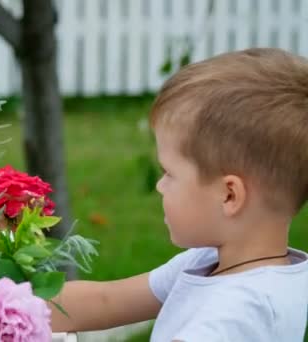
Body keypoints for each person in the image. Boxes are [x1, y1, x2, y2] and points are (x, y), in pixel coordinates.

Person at [51, 48, 308, 341]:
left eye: (169, 173)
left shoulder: (235, 313)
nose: (160, 186)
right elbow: (106, 301)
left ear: (229, 196)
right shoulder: (210, 261)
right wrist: (6, 309)